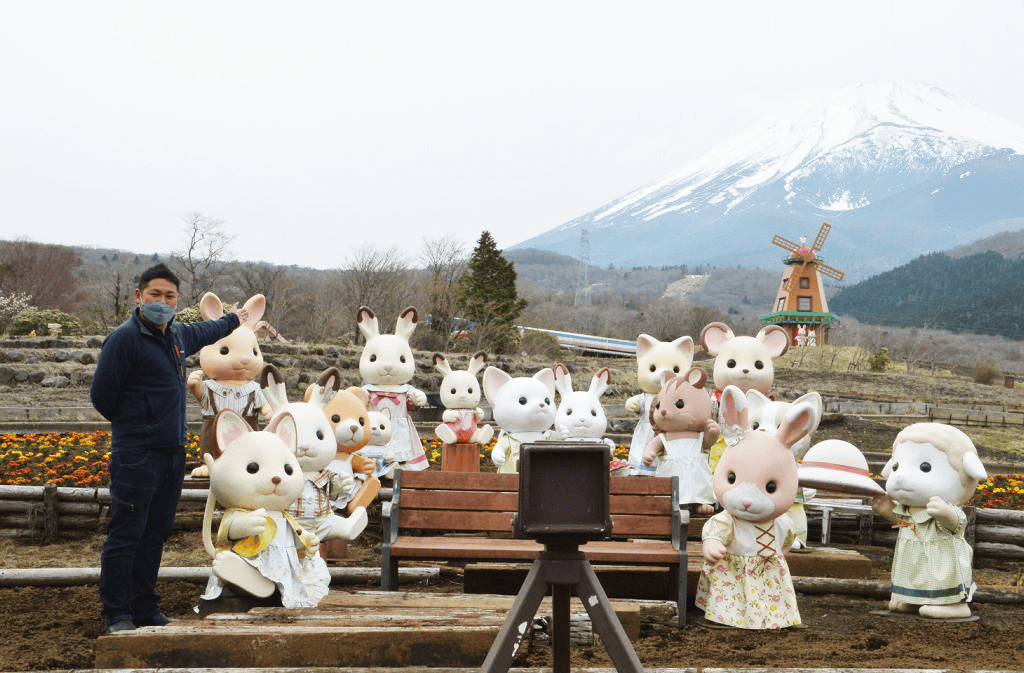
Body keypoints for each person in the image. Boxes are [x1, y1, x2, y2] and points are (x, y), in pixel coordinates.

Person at [90, 263, 250, 634]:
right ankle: (117, 613)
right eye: (155, 295)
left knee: (155, 533)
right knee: (126, 533)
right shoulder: (124, 340)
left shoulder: (176, 335)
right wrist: (137, 423)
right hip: (136, 453)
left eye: (170, 296)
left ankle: (145, 607)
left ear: (178, 301)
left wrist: (234, 319)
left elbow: (207, 330)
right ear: (139, 297)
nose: (162, 302)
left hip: (170, 452)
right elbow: (102, 397)